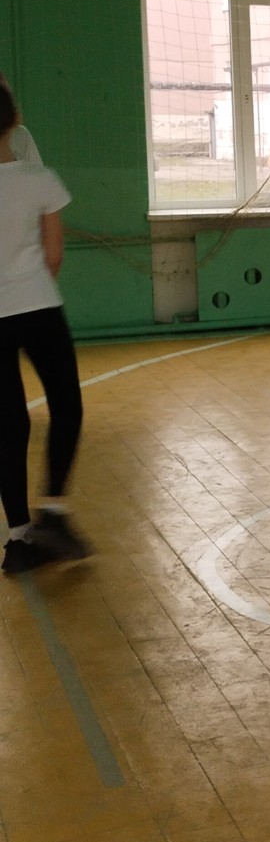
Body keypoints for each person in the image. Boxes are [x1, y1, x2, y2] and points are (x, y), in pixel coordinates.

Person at [0, 80, 89, 573]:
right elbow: (53, 255)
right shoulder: (40, 179)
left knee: (8, 422)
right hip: (38, 307)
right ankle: (52, 510)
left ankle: (17, 540)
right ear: (16, 122)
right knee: (66, 405)